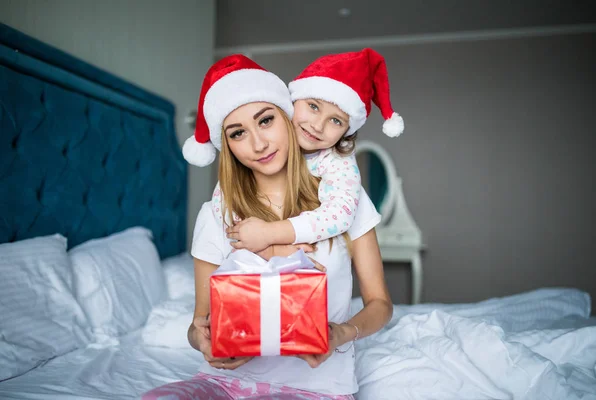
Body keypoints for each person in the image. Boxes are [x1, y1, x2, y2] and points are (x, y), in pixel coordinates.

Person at [143, 55, 392, 399]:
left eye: (266, 121)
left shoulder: (345, 202)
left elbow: (380, 304)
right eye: (238, 133)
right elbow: (200, 322)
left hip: (316, 387)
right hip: (225, 383)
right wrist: (201, 339)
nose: (258, 144)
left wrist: (341, 333)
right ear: (226, 144)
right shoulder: (216, 213)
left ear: (288, 117)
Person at [186, 49, 404, 255]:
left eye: (336, 120)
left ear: (346, 131)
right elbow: (233, 226)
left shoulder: (338, 160)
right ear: (291, 102)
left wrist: (269, 236)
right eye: (313, 106)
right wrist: (273, 251)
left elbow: (339, 215)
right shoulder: (229, 192)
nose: (317, 126)